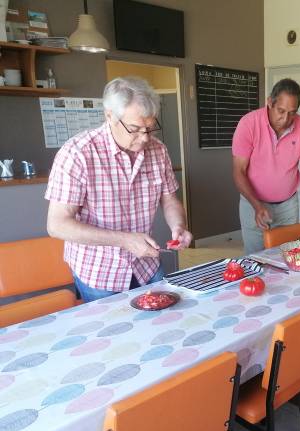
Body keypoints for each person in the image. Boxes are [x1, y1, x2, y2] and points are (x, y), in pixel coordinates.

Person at [46, 76, 192, 302]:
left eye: (150, 128)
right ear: (109, 116)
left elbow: (169, 198)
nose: (144, 138)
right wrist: (124, 240)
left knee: (162, 327)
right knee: (114, 336)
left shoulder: (158, 150)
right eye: (134, 129)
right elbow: (57, 225)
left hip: (147, 267)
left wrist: (178, 226)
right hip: (100, 273)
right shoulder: (77, 153)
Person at [232, 78, 300, 254]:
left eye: (292, 113)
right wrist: (257, 206)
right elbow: (238, 172)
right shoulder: (248, 124)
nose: (285, 119)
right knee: (256, 259)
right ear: (270, 102)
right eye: (281, 111)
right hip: (253, 203)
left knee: (289, 257)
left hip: (288, 205)